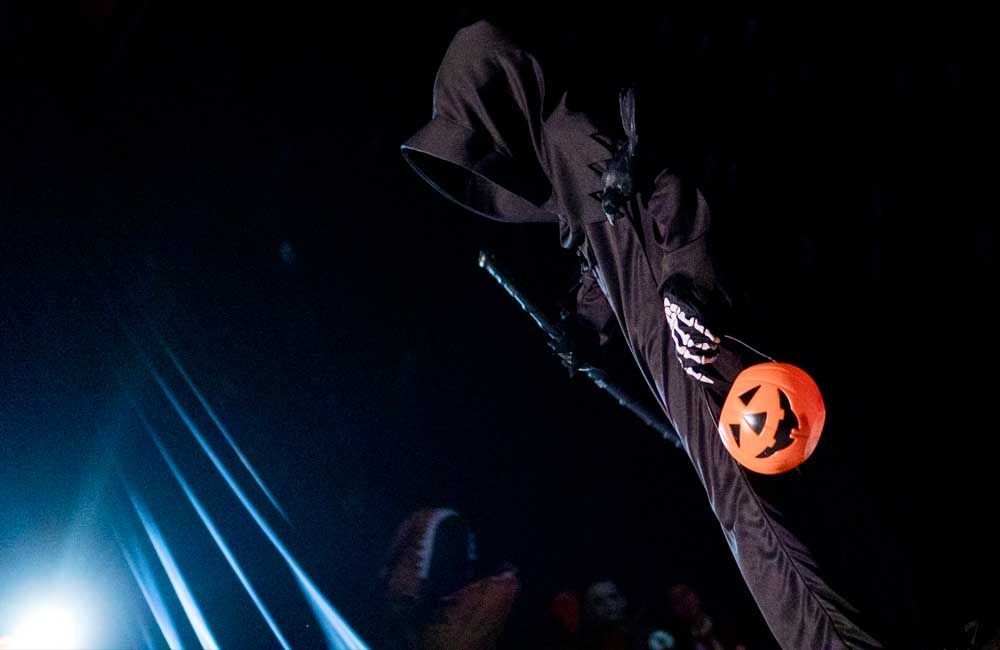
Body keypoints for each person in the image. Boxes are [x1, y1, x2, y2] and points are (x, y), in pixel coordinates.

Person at [401, 19, 896, 648]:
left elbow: (666, 178)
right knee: (770, 522)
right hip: (688, 359)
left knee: (776, 532)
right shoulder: (561, 150)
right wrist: (584, 326)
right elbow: (606, 246)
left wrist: (689, 280)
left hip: (704, 355)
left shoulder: (574, 130)